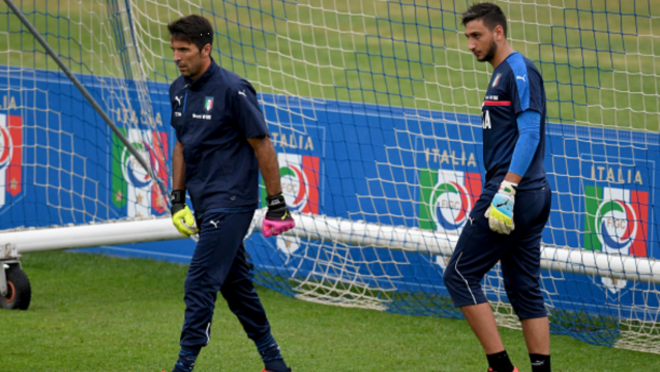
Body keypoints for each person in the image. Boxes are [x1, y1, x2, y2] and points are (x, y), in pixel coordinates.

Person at [165, 15, 295, 372]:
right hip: (202, 202)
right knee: (236, 287)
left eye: (185, 49)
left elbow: (262, 144)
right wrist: (177, 200)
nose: (178, 57)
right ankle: (275, 363)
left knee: (200, 281)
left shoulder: (233, 90)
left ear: (206, 49)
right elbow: (180, 144)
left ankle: (183, 366)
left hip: (233, 202)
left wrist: (277, 204)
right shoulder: (177, 89)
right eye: (174, 49)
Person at [442, 3, 552, 372]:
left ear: (499, 32)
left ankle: (501, 368)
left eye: (477, 35)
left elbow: (531, 132)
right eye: (468, 37)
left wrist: (507, 189)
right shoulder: (500, 74)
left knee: (459, 274)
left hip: (513, 192)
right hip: (529, 193)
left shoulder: (518, 70)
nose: (471, 44)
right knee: (524, 289)